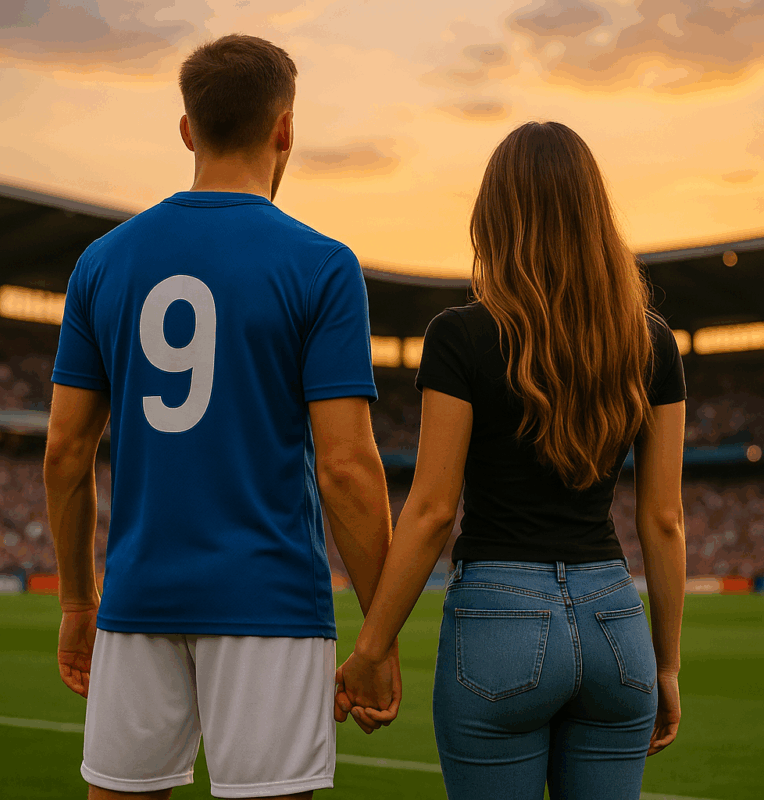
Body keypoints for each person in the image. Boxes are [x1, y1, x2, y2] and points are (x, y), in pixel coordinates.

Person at [44, 33, 399, 800]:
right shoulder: (322, 264)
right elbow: (345, 465)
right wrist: (379, 633)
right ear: (286, 130)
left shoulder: (103, 262)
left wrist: (78, 600)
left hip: (138, 596)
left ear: (186, 130)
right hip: (268, 601)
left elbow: (66, 453)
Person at [335, 121, 687, 800]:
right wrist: (666, 665)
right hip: (617, 624)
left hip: (498, 620)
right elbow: (665, 519)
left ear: (494, 217)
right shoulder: (653, 343)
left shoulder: (460, 335)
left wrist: (373, 646)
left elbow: (434, 510)